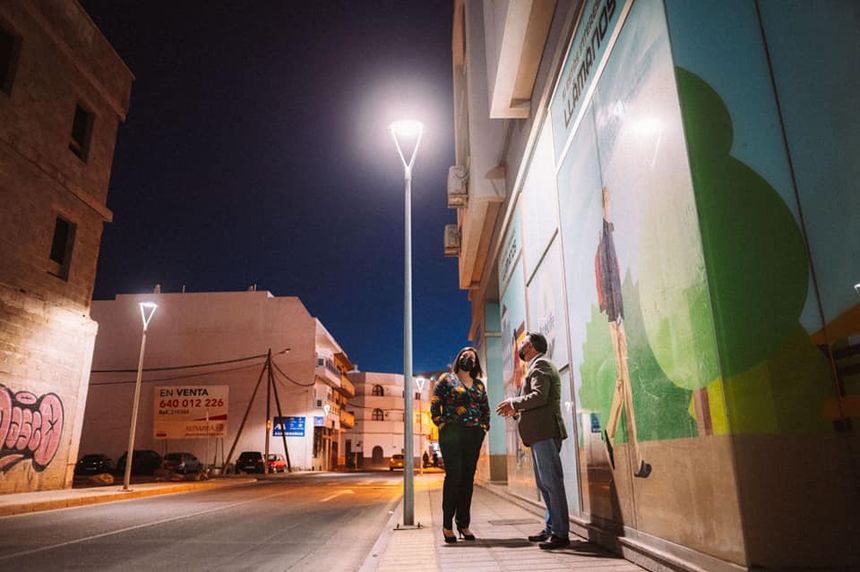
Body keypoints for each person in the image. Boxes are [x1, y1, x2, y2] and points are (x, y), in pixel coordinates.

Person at [595, 186, 651, 478]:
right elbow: (609, 283)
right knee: (626, 386)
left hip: (616, 319)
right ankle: (638, 459)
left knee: (622, 383)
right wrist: (616, 320)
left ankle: (608, 432)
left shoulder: (606, 244)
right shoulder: (604, 245)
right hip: (615, 321)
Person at [496, 332, 570, 549]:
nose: (521, 347)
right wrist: (517, 411)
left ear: (533, 347)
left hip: (545, 433)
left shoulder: (541, 366)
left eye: (524, 343)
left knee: (551, 483)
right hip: (539, 434)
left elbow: (539, 396)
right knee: (544, 484)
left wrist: (514, 402)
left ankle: (560, 533)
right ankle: (551, 527)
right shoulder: (537, 367)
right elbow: (536, 402)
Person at [431, 347, 490, 544]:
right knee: (454, 477)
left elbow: (485, 408)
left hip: (473, 435)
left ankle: (463, 524)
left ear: (476, 363)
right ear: (459, 359)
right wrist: (441, 423)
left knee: (467, 480)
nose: (468, 359)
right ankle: (447, 525)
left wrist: (483, 428)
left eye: (472, 357)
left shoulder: (479, 385)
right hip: (451, 435)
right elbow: (435, 403)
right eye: (465, 356)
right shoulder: (446, 379)